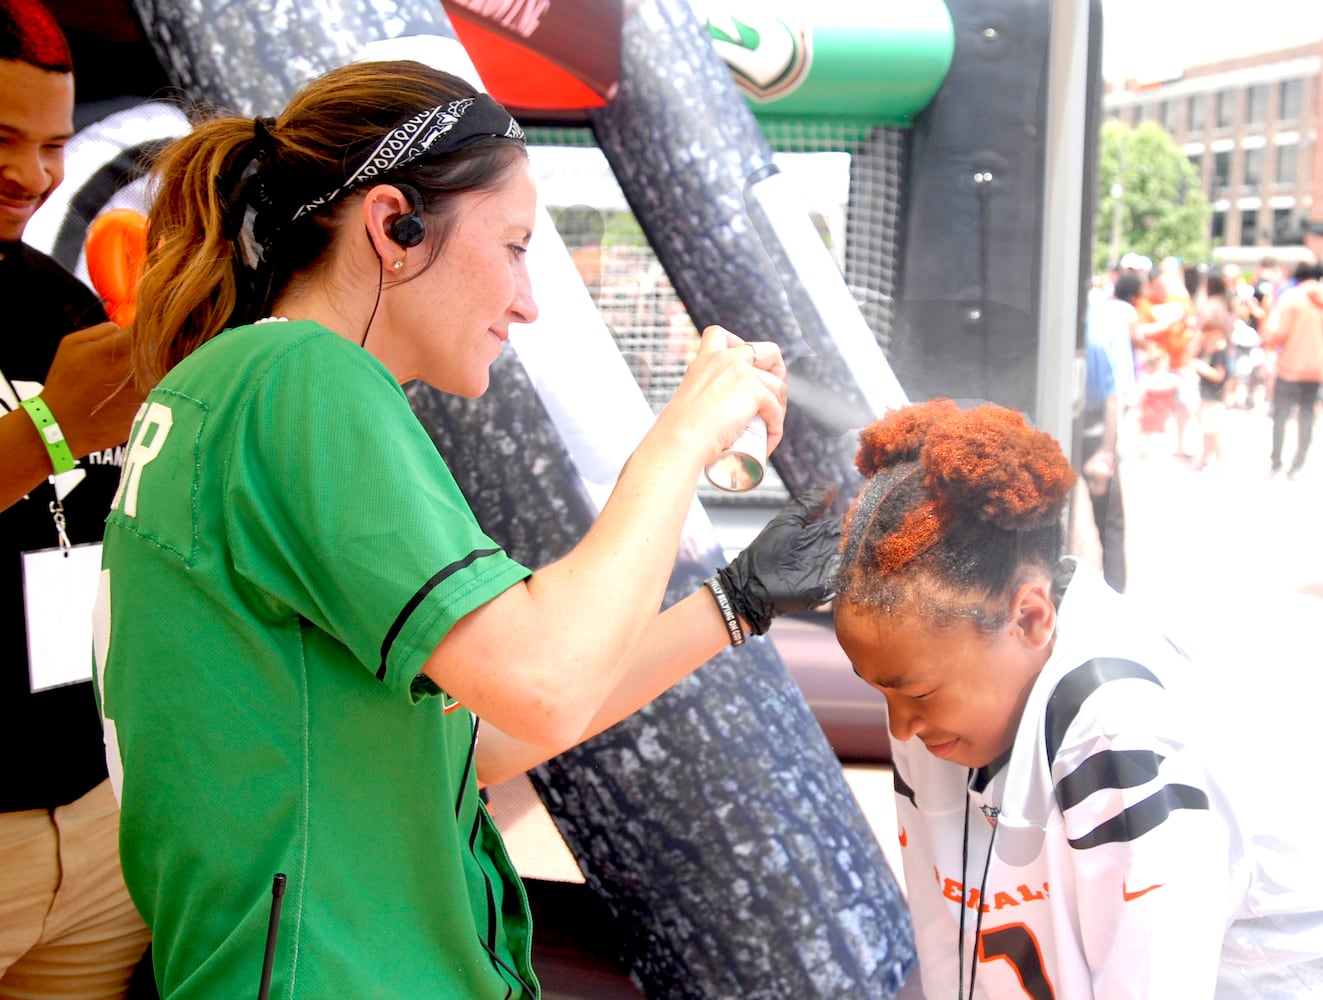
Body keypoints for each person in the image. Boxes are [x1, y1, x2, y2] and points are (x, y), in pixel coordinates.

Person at [93, 60, 841, 999]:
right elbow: (541, 682)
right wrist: (681, 436)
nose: (527, 301)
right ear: (393, 226)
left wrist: (736, 602)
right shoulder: (300, 378)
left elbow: (471, 735)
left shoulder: (236, 383)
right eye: (517, 245)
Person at [831, 398, 1323, 998]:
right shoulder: (939, 696)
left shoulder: (1119, 739)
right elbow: (951, 946)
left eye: (916, 694)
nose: (901, 725)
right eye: (878, 692)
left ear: (1031, 618)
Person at [0, 1, 150, 995]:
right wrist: (52, 428)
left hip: (96, 825)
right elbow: (58, 435)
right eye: (1, 138)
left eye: (53, 143)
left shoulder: (56, 297)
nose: (35, 173)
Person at [1081, 273, 1137, 591]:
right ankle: (1116, 595)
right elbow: (1115, 395)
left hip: (1075, 427)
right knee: (1110, 523)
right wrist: (1106, 450)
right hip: (1096, 430)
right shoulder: (1109, 320)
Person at [1262, 260, 1323, 479]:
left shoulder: (1292, 298)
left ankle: (1277, 462)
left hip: (1290, 366)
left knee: (1281, 415)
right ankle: (1298, 464)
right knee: (1307, 416)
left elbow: (1276, 332)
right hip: (1316, 368)